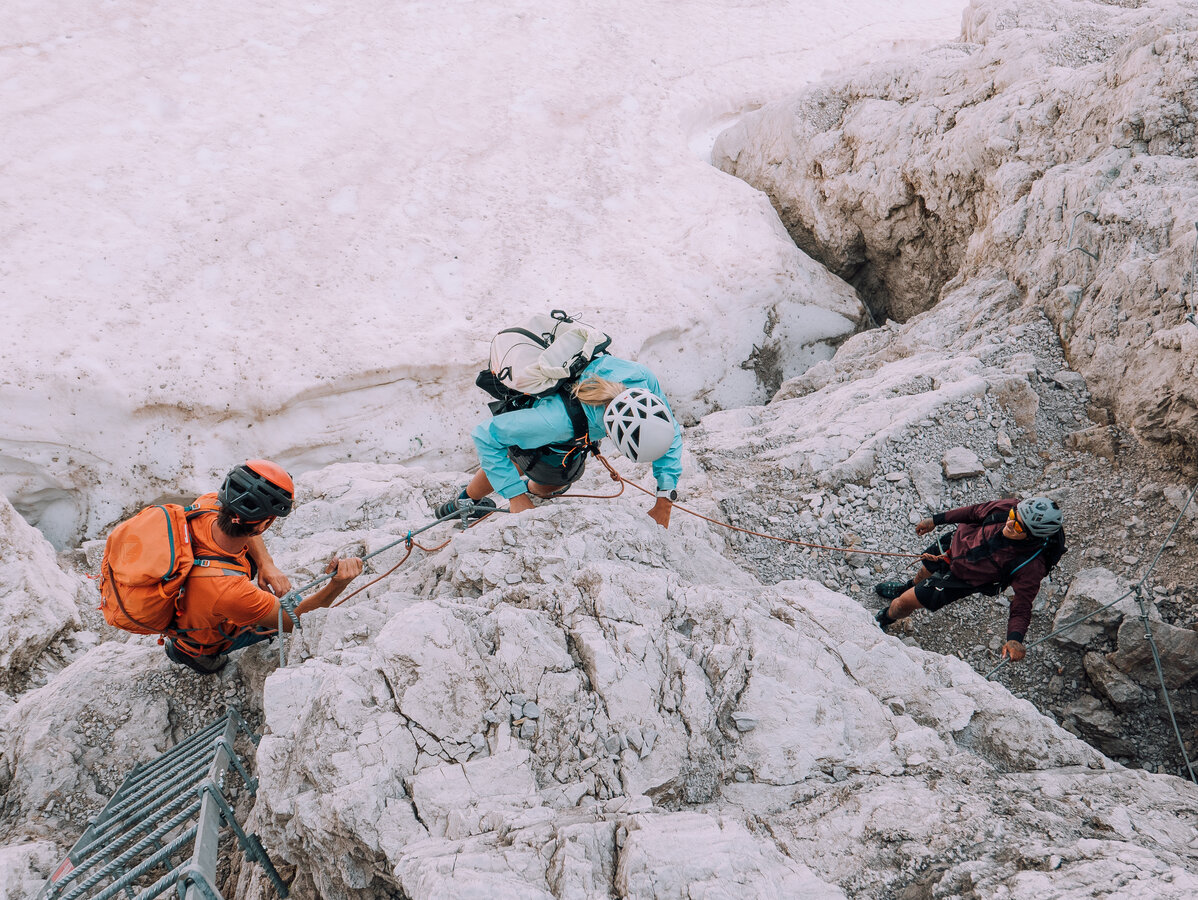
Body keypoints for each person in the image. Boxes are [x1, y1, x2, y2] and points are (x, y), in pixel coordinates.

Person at [165, 460, 363, 674]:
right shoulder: (230, 592)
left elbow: (243, 523)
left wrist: (265, 564)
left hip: (183, 597)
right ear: (263, 525)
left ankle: (185, 644)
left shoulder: (208, 505)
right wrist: (337, 584)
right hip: (200, 633)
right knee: (294, 603)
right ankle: (195, 654)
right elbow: (295, 620)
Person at [438, 356, 683, 528]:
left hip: (574, 421)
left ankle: (522, 483)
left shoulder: (642, 382)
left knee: (550, 472)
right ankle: (465, 502)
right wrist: (516, 497)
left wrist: (665, 501)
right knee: (537, 467)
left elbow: (668, 435)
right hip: (551, 416)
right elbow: (486, 435)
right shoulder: (555, 422)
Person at [873, 497, 1065, 662]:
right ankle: (907, 586)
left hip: (960, 580)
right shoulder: (1009, 508)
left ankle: (884, 618)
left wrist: (1015, 638)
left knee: (901, 604)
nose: (1009, 523)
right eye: (1013, 516)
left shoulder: (1030, 566)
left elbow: (1022, 606)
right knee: (924, 571)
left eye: (1016, 525)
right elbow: (974, 512)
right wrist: (936, 520)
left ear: (1032, 536)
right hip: (954, 544)